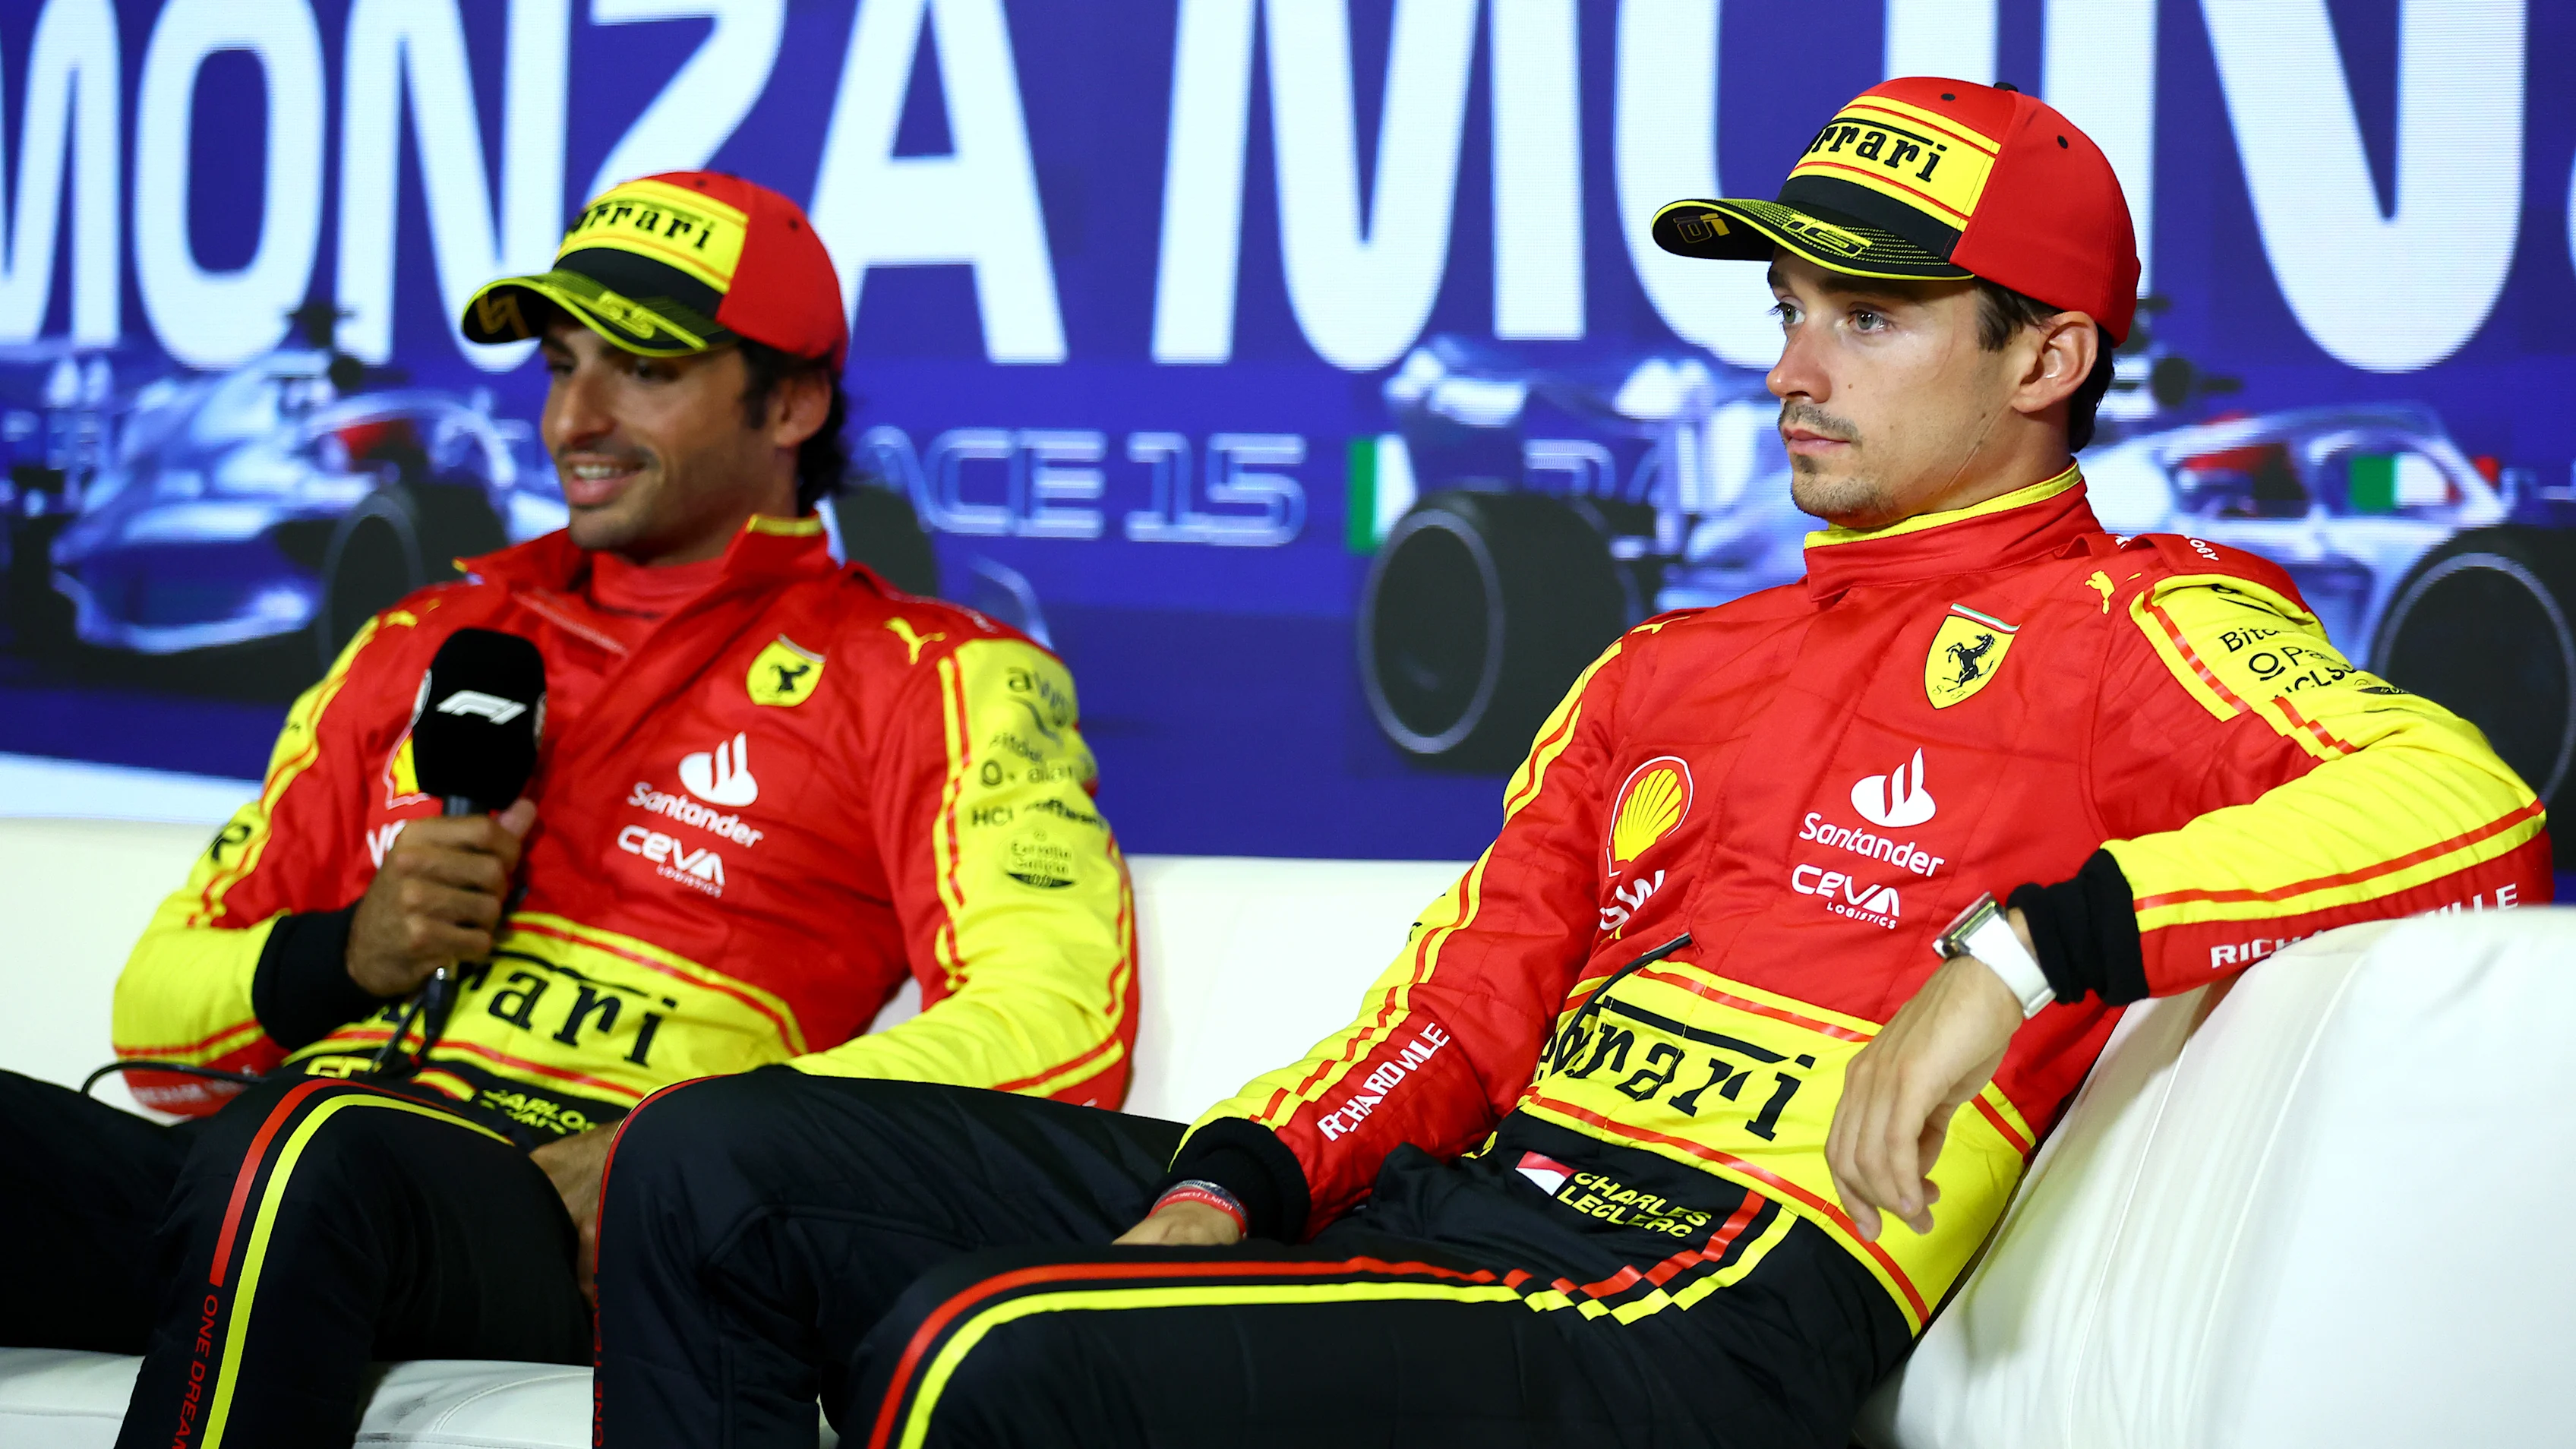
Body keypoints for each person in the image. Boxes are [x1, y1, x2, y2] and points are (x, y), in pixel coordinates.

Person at [589, 84, 2552, 1448]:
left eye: (1869, 317)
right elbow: (1475, 984)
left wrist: (2027, 953)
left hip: (1698, 1284)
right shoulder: (1669, 658)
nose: (1793, 364)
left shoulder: (2141, 621)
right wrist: (1247, 1178)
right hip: (1461, 1206)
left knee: (993, 1355)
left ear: (2045, 360)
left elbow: (2472, 803)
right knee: (723, 1158)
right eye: (1788, 308)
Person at [0, 172, 1138, 1449]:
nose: (573, 421)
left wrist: (684, 1153)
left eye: (642, 370)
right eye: (557, 365)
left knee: (310, 1159)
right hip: (272, 1171)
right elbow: (153, 1025)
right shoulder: (417, 640)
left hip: (566, 1201)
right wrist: (355, 950)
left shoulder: (933, 671)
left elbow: (1053, 1028)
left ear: (795, 401)